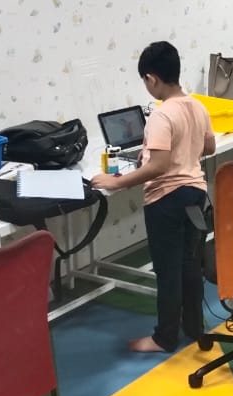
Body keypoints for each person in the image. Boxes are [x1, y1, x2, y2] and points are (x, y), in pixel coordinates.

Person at [92, 41, 215, 354]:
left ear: (151, 79)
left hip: (167, 200)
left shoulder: (161, 116)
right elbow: (209, 147)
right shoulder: (197, 106)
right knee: (190, 265)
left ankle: (164, 337)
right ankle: (193, 326)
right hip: (195, 194)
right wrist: (183, 150)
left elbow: (158, 167)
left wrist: (117, 182)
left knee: (167, 270)